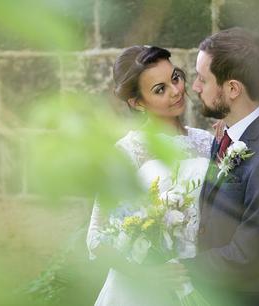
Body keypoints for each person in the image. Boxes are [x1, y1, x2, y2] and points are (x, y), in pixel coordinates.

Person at [86, 45, 218, 306]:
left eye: (176, 78)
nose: (176, 90)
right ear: (137, 103)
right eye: (160, 89)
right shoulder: (126, 153)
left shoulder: (207, 142)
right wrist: (148, 274)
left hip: (198, 283)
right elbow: (95, 239)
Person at [182, 27, 259, 306]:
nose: (196, 87)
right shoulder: (227, 134)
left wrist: (182, 268)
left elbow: (250, 255)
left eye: (203, 79)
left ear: (233, 88)